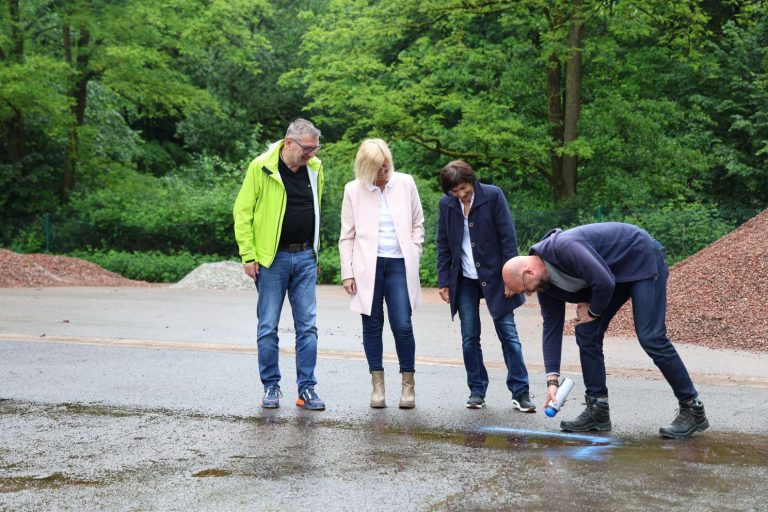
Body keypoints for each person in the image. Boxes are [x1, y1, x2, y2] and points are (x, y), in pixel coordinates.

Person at [501, 222, 709, 438]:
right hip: (613, 273)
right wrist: (552, 382)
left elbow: (604, 282)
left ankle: (692, 408)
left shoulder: (564, 247)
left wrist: (592, 312)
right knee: (587, 332)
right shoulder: (545, 285)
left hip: (640, 256)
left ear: (528, 272)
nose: (528, 293)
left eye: (525, 288)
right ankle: (597, 410)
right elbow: (552, 327)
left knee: (651, 336)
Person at [233, 118, 325, 411]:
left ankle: (307, 389)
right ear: (289, 143)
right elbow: (243, 212)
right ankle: (271, 385)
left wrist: (315, 251)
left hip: (305, 258)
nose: (312, 154)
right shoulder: (260, 167)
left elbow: (316, 209)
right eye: (307, 148)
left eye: (315, 148)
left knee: (308, 327)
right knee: (268, 326)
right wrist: (248, 255)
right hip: (271, 259)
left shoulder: (315, 168)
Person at [436, 160, 535, 412]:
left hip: (496, 275)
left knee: (508, 334)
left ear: (472, 181)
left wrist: (511, 277)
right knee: (469, 337)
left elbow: (508, 238)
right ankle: (477, 390)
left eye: (463, 188)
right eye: (455, 191)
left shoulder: (493, 195)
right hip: (464, 279)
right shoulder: (447, 204)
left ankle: (520, 391)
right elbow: (444, 244)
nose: (460, 194)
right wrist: (444, 280)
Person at [339, 139, 424, 409]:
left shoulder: (406, 183)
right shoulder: (353, 190)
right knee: (372, 326)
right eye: (377, 170)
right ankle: (377, 386)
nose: (383, 174)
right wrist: (347, 273)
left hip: (399, 263)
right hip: (367, 267)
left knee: (403, 324)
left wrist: (414, 251)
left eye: (386, 168)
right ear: (366, 168)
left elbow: (417, 223)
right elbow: (347, 236)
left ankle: (408, 385)